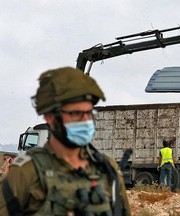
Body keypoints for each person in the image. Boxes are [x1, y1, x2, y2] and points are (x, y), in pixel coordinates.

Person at [0, 67, 131, 215]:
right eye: (76, 113)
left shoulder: (107, 168)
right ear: (51, 117)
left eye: (89, 113)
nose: (85, 121)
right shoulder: (25, 172)